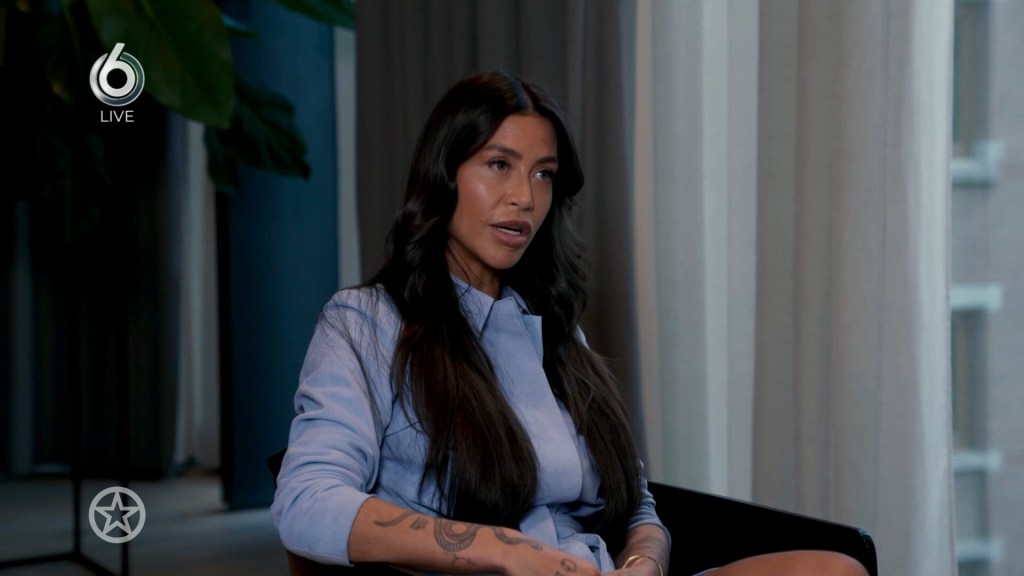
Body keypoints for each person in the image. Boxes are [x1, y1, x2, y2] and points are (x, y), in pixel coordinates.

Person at [271, 71, 868, 576]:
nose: (525, 198)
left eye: (543, 174)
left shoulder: (557, 334)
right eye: (499, 165)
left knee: (835, 568)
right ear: (443, 174)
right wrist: (505, 550)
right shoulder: (367, 323)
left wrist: (643, 562)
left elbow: (638, 505)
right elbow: (305, 500)